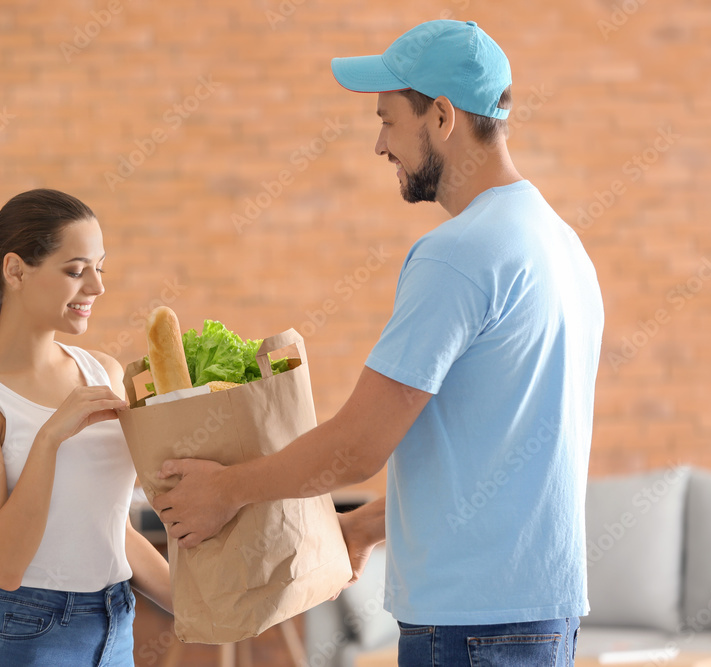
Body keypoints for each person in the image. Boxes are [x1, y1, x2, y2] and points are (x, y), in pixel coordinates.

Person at [151, 20, 604, 667]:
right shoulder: (560, 244)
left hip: (467, 627)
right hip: (535, 615)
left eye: (388, 121)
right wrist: (364, 527)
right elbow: (493, 454)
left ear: (442, 116)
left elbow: (358, 444)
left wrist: (227, 489)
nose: (378, 145)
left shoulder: (458, 253)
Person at [0, 188, 171, 666]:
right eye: (76, 270)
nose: (96, 287)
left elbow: (107, 526)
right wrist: (50, 438)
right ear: (15, 270)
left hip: (116, 624)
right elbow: (5, 566)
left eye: (100, 268)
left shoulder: (104, 371)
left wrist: (196, 605)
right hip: (24, 635)